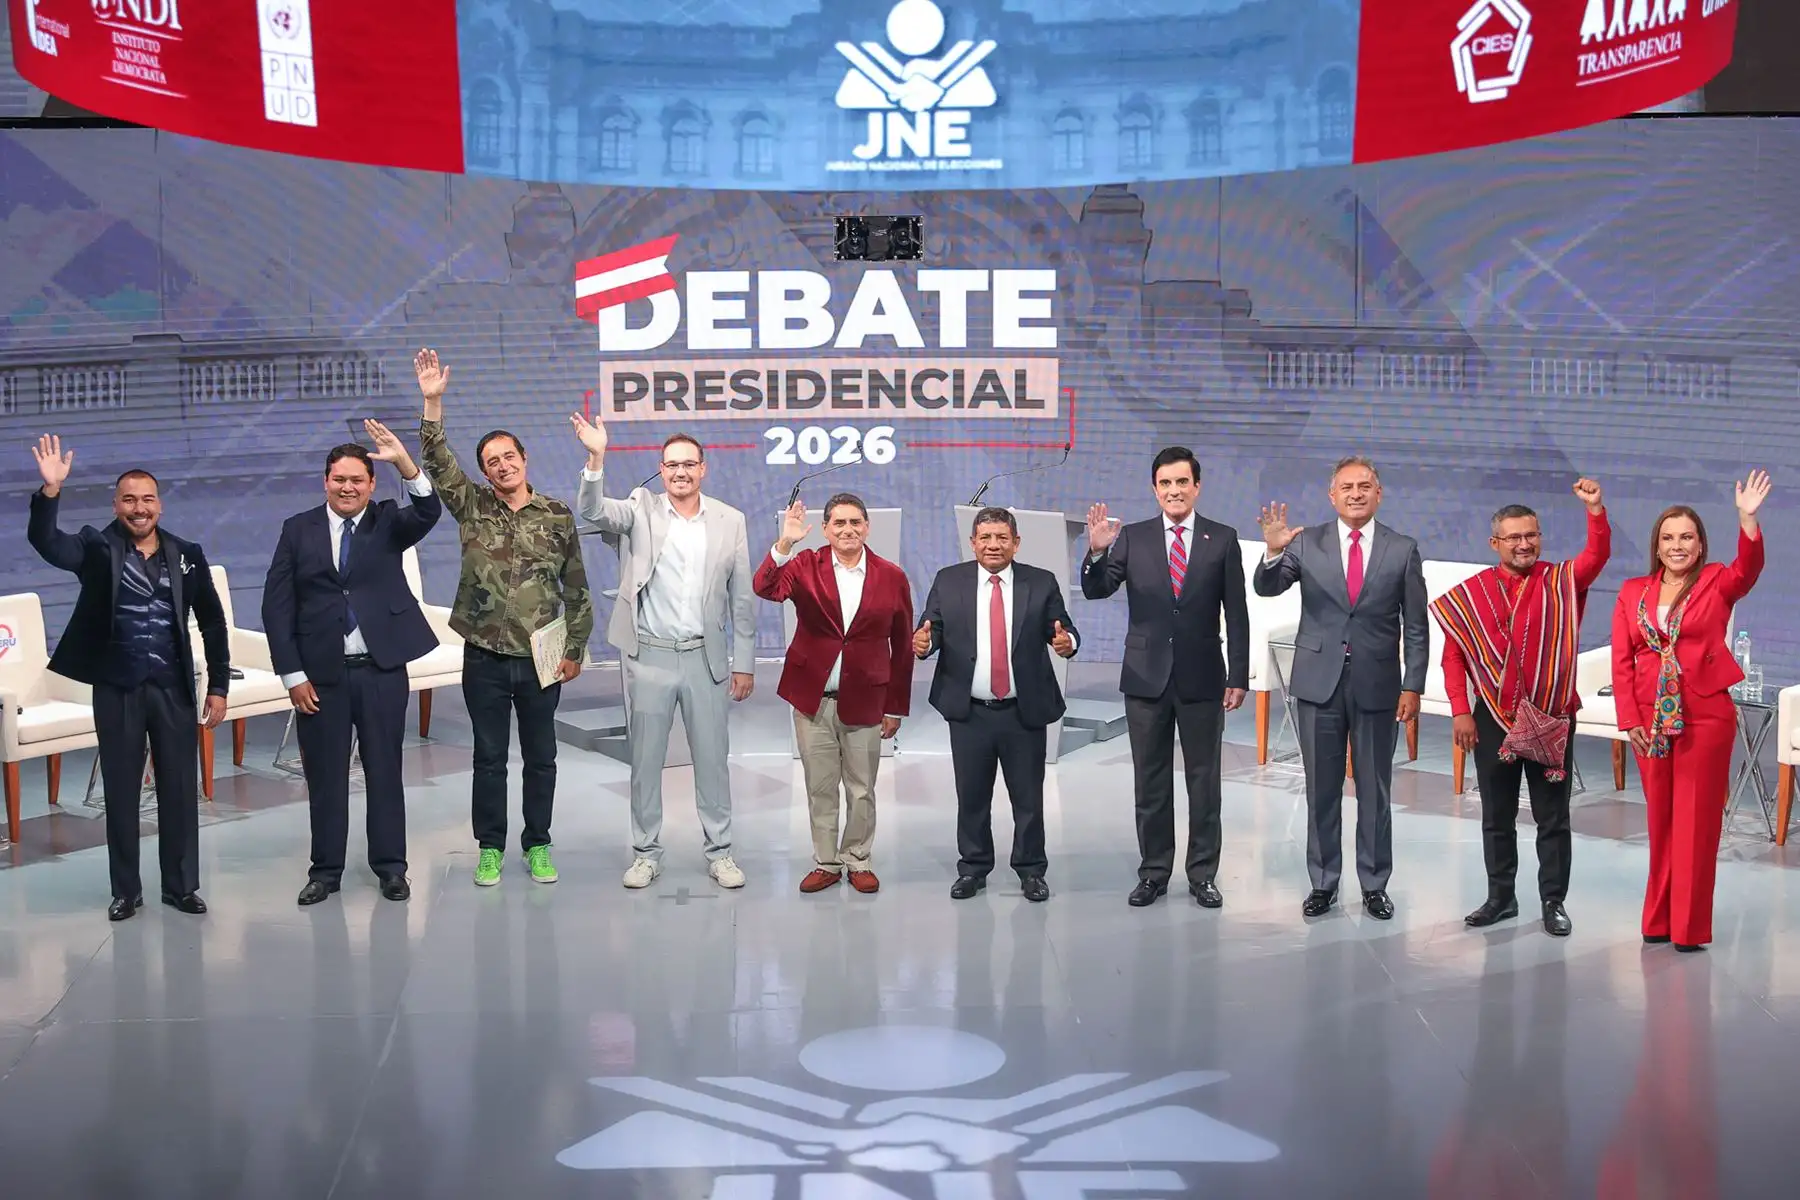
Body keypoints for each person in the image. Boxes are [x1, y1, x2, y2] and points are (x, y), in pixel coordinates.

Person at [26, 437, 228, 920]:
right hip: (117, 688)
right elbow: (47, 543)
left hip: (173, 689)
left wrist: (218, 686)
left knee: (180, 789)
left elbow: (214, 621)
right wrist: (50, 492)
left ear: (159, 504)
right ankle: (126, 890)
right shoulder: (96, 548)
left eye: (148, 499)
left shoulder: (187, 554)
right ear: (116, 505)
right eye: (129, 500)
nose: (140, 509)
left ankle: (180, 886)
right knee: (121, 791)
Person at [413, 349, 592, 888]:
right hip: (485, 657)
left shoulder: (557, 514)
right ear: (486, 472)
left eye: (508, 456)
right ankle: (490, 846)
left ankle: (538, 843)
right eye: (491, 461)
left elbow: (577, 587)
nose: (502, 465)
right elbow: (438, 458)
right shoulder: (472, 506)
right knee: (489, 758)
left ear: (524, 458)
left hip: (541, 659)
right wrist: (432, 400)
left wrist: (575, 650)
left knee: (542, 759)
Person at [571, 409, 756, 891]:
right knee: (646, 763)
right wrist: (596, 456)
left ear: (703, 469)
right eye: (671, 464)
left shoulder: (731, 521)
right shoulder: (640, 509)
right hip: (648, 657)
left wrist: (744, 664)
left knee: (713, 762)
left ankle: (720, 852)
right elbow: (592, 512)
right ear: (661, 468)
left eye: (688, 464)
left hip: (706, 659)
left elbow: (741, 600)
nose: (679, 472)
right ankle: (645, 852)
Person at [261, 424, 442, 906]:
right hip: (320, 678)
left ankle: (390, 868)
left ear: (371, 484)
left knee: (385, 771)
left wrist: (404, 461)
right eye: (339, 479)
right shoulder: (296, 529)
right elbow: (276, 606)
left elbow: (428, 509)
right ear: (325, 481)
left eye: (357, 480)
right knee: (325, 777)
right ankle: (325, 871)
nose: (348, 488)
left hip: (381, 670)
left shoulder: (387, 522)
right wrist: (292, 675)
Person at [1431, 480, 1612, 938]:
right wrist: (1460, 710)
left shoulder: (1562, 580)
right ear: (1496, 543)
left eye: (1530, 535)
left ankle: (1553, 902)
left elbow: (1597, 556)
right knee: (1497, 814)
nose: (1524, 544)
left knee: (1553, 817)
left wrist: (1595, 511)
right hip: (1492, 717)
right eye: (1513, 537)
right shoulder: (1472, 594)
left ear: (1540, 538)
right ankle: (1501, 898)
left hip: (1552, 718)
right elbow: (1453, 656)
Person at [1255, 455, 1427, 921]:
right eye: (1346, 486)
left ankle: (1374, 885)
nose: (1356, 493)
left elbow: (1415, 626)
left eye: (1365, 486)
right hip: (1318, 684)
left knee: (1375, 789)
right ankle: (1323, 883)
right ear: (1332, 495)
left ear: (1379, 493)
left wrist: (1413, 685)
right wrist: (1272, 552)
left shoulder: (1402, 548)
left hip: (1377, 685)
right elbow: (1268, 588)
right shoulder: (1306, 543)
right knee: (1322, 789)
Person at [1081, 446, 1248, 909]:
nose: (1173, 491)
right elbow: (1097, 590)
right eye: (1165, 484)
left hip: (1202, 678)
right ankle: (1154, 872)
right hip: (1145, 678)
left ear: (1196, 486)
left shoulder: (1223, 538)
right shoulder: (1132, 538)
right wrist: (1096, 551)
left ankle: (1202, 875)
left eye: (1181, 482)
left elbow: (1236, 612)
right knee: (1150, 781)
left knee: (1204, 781)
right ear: (1154, 489)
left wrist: (1238, 674)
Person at [1611, 470, 1769, 952]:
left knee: (1697, 825)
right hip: (1649, 720)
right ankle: (1657, 920)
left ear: (1700, 545)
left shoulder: (1719, 581)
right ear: (1657, 546)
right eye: (1668, 538)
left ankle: (1688, 929)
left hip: (1704, 714)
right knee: (1660, 822)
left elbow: (1750, 566)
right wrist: (1630, 720)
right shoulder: (1632, 590)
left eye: (1687, 537)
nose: (1677, 545)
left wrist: (1747, 518)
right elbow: (1621, 659)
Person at [754, 494, 914, 894]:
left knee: (862, 789)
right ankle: (826, 862)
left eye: (855, 522)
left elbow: (902, 645)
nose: (847, 530)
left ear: (867, 527)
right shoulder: (806, 564)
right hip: (813, 699)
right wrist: (785, 543)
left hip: (867, 700)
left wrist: (895, 705)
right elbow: (764, 587)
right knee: (820, 787)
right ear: (825, 529)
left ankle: (857, 859)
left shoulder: (891, 575)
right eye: (839, 523)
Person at [918, 507, 1079, 902]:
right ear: (973, 542)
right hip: (969, 711)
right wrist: (924, 643)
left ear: (1016, 543)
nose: (993, 545)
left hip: (1023, 711)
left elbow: (1062, 628)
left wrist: (1067, 643)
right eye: (985, 537)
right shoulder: (949, 580)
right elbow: (931, 627)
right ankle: (973, 868)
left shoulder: (1039, 583)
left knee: (1028, 798)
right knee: (971, 796)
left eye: (1002, 538)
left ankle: (1030, 870)